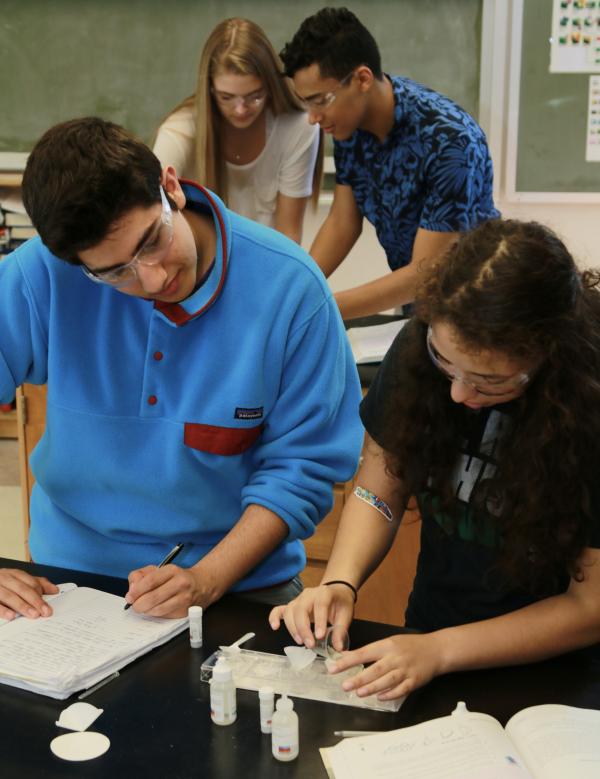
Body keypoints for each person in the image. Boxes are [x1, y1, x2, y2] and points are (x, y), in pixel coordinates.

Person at [0, 117, 362, 621]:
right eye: (115, 272)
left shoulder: (291, 291)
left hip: (237, 587)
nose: (152, 278)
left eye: (152, 240)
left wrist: (206, 580)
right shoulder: (43, 273)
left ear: (171, 187)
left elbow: (302, 472)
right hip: (68, 583)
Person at [270, 219, 600, 701]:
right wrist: (342, 579)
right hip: (426, 642)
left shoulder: (588, 404)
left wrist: (441, 650)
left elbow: (590, 606)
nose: (458, 392)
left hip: (555, 676)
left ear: (548, 354)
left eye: (489, 381)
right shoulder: (419, 350)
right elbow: (379, 486)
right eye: (446, 364)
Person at [279, 7, 499, 319]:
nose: (313, 118)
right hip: (421, 307)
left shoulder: (449, 140)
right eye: (306, 103)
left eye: (320, 101)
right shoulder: (348, 127)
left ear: (363, 79)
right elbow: (343, 222)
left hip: (479, 308)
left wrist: (317, 309)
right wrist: (297, 289)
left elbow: (425, 273)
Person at [154, 17, 322, 244]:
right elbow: (153, 214)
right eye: (227, 97)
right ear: (210, 89)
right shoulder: (179, 131)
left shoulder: (298, 125)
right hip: (201, 268)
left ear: (271, 85)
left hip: (267, 259)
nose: (241, 110)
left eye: (255, 96)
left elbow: (288, 236)